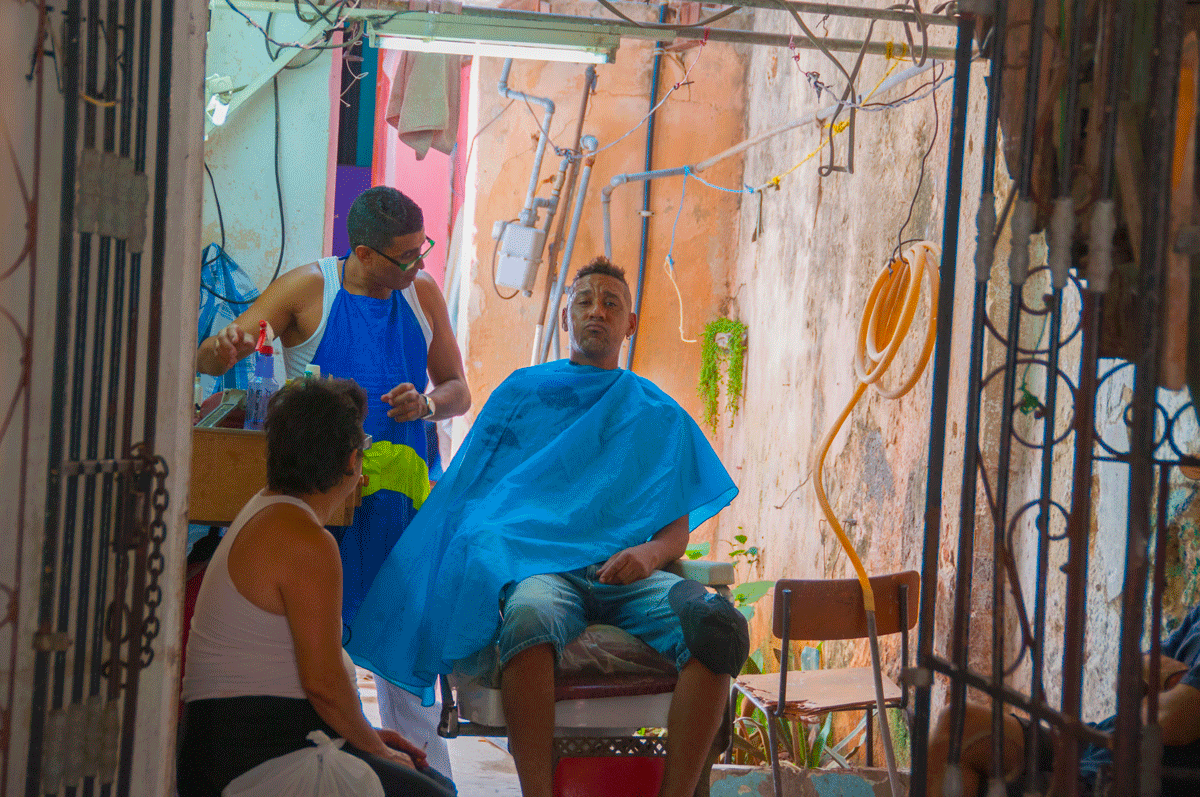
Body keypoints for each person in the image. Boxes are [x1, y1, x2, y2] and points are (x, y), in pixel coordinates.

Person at [346, 257, 749, 797]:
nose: (596, 312)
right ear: (566, 318)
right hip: (543, 572)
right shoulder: (523, 395)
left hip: (631, 578)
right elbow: (473, 496)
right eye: (584, 301)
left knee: (718, 630)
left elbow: (674, 530)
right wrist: (489, 552)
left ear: (630, 323)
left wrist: (650, 556)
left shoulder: (657, 414)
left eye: (611, 303)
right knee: (529, 623)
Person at [195, 186, 470, 776]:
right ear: (365, 254)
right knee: (321, 659)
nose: (418, 264)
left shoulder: (423, 296)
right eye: (406, 256)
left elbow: (457, 391)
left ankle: (423, 775)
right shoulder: (306, 290)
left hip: (397, 508)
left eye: (422, 250)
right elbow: (213, 357)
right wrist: (224, 348)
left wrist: (424, 405)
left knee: (402, 658)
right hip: (322, 503)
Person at [177, 378, 454, 797]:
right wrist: (373, 744)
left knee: (425, 779)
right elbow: (323, 684)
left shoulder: (271, 511)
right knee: (430, 793)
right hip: (249, 759)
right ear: (351, 462)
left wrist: (369, 736)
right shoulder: (304, 539)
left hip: (251, 743)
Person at [926, 604, 1200, 797]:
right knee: (957, 723)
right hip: (1094, 743)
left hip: (1121, 780)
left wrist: (1158, 684)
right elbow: (1128, 674)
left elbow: (1167, 721)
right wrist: (1174, 685)